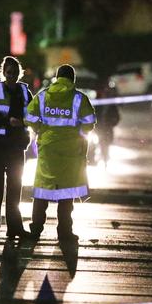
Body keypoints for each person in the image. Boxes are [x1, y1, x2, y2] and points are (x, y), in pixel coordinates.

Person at [24, 64, 96, 242]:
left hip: (47, 149)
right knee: (66, 194)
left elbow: (29, 117)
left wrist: (41, 129)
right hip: (70, 152)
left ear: (57, 78)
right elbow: (89, 123)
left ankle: (35, 229)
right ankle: (64, 232)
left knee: (42, 191)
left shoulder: (43, 96)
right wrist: (78, 133)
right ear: (73, 80)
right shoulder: (79, 98)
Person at [0, 56, 33, 240]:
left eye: (15, 73)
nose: (11, 76)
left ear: (19, 74)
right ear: (3, 73)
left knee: (15, 188)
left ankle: (15, 227)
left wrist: (23, 123)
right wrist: (6, 120)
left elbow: (33, 116)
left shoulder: (25, 92)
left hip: (17, 146)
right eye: (8, 72)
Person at [94, 87, 120, 167]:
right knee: (102, 143)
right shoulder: (97, 104)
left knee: (106, 144)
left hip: (107, 128)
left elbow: (116, 116)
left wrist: (111, 123)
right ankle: (103, 157)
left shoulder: (111, 105)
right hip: (100, 128)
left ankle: (105, 158)